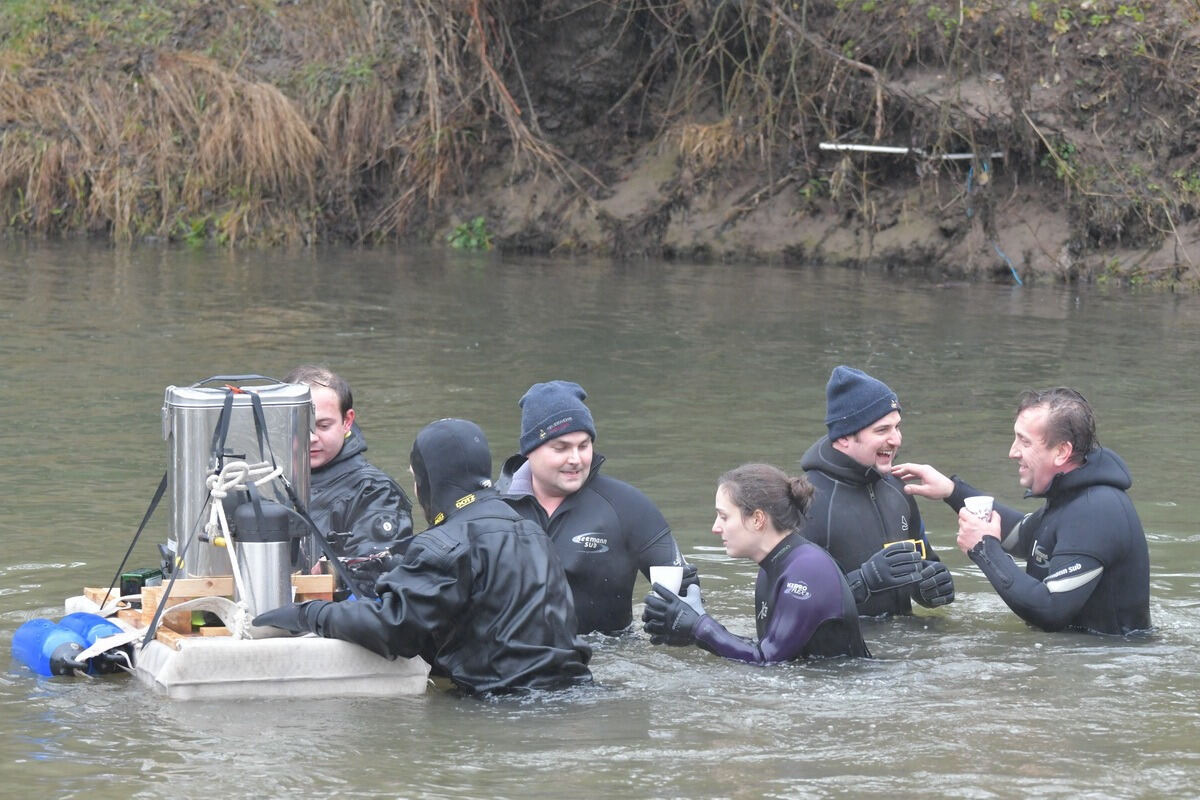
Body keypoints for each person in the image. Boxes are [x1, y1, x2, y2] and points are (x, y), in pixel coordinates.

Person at [253, 418, 594, 695]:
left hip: (504, 707)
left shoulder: (445, 542)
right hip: (576, 691)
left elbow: (393, 629)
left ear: (429, 481)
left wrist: (309, 613)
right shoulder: (534, 532)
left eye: (417, 479)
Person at [892, 387, 1152, 636]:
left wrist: (984, 549)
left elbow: (1050, 611)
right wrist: (951, 490)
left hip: (1108, 669)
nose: (1012, 452)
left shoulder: (1097, 511)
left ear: (1062, 451)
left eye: (1024, 442)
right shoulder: (1071, 501)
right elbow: (1020, 535)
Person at [642, 464, 920, 663]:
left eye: (724, 517)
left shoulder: (807, 570)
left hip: (851, 702)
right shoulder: (774, 567)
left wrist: (699, 626)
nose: (716, 528)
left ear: (758, 519)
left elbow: (768, 661)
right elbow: (767, 651)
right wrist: (686, 630)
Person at [496, 380, 695, 635]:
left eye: (583, 445)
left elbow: (687, 594)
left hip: (608, 659)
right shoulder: (493, 510)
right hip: (517, 662)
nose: (576, 459)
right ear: (529, 450)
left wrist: (674, 618)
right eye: (561, 448)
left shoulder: (628, 506)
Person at [799, 366, 955, 616]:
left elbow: (923, 559)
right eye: (882, 430)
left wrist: (931, 585)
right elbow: (793, 601)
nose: (896, 440)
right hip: (841, 652)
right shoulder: (805, 500)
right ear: (843, 438)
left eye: (897, 427)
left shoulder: (899, 488)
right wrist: (863, 582)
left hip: (903, 643)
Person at [284, 365, 414, 596]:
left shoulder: (375, 492)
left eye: (323, 426)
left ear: (347, 421)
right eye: (300, 426)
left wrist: (332, 570)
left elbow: (382, 582)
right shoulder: (260, 480)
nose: (312, 438)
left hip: (331, 621)